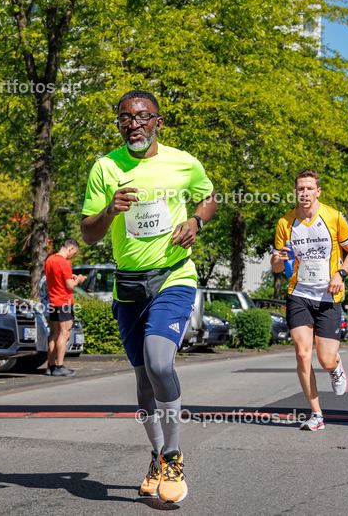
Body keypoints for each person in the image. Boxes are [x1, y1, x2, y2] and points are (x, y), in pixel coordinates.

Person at [80, 90, 216, 504]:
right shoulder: (105, 168)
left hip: (174, 274)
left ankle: (173, 455)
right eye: (125, 118)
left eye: (142, 117)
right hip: (129, 284)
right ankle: (157, 456)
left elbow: (208, 197)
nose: (133, 124)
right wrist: (109, 212)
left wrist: (195, 220)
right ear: (119, 123)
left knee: (160, 362)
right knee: (142, 380)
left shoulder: (183, 161)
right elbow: (88, 232)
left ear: (158, 120)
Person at [271, 169, 348, 432]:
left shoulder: (334, 217)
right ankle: (316, 414)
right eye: (300, 189)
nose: (305, 193)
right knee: (302, 354)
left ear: (318, 191)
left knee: (324, 359)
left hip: (329, 296)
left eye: (310, 188)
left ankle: (334, 367)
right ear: (295, 192)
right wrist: (280, 259)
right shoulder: (285, 223)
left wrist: (341, 273)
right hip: (299, 294)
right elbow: (276, 266)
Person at [43, 238, 86, 376]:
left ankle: (50, 365)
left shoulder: (49, 260)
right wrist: (78, 279)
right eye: (74, 252)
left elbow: (58, 278)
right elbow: (70, 285)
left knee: (54, 333)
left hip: (53, 301)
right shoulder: (65, 262)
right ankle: (59, 366)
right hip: (64, 302)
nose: (74, 255)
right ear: (70, 248)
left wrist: (70, 276)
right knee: (64, 333)